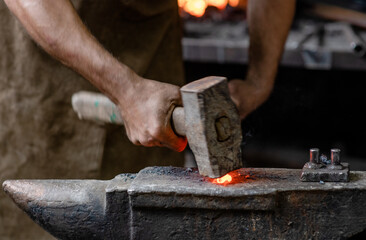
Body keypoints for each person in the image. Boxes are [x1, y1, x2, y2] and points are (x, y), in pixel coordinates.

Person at [1, 0, 295, 238]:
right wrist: (126, 90)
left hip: (151, 52)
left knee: (153, 218)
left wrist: (259, 80)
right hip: (43, 57)